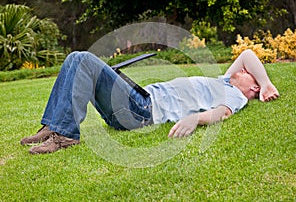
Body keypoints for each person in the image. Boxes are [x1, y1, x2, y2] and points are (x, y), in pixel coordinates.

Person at [20, 49, 279, 154]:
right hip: (138, 101)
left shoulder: (234, 95)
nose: (243, 70)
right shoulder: (224, 81)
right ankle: (54, 124)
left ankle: (64, 135)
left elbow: (222, 114)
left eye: (248, 74)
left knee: (83, 59)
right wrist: (263, 81)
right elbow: (247, 54)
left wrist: (194, 118)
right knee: (75, 57)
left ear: (252, 87)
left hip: (143, 110)